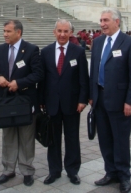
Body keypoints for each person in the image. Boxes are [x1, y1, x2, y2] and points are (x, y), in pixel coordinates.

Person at [89, 8, 131, 193]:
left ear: (117, 21)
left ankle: (124, 176)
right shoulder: (97, 42)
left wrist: (130, 101)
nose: (102, 24)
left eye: (106, 20)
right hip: (100, 99)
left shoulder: (129, 42)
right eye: (101, 20)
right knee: (105, 139)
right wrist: (91, 95)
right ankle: (110, 172)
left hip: (120, 102)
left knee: (120, 139)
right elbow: (94, 70)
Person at [0, 20, 43, 187]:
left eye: (8, 31)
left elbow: (38, 74)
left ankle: (27, 170)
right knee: (9, 136)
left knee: (27, 136)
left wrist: (19, 83)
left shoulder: (31, 50)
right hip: (6, 101)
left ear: (18, 32)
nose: (5, 34)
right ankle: (8, 169)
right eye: (4, 31)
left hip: (25, 101)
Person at [39, 19, 89, 186]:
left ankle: (73, 171)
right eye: (59, 31)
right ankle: (54, 171)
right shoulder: (45, 52)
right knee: (53, 139)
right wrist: (41, 101)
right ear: (54, 32)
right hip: (51, 103)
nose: (62, 34)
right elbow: (43, 79)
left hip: (72, 104)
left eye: (65, 31)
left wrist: (82, 100)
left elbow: (84, 79)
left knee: (72, 138)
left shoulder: (78, 52)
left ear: (70, 33)